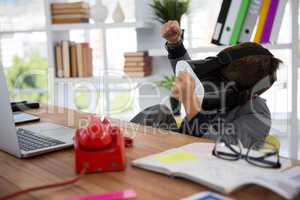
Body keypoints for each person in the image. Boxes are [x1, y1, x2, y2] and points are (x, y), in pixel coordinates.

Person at [131, 20, 282, 148]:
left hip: (204, 164)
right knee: (158, 111)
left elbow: (218, 149)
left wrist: (192, 105)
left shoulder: (257, 115)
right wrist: (175, 43)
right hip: (180, 143)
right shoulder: (220, 82)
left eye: (219, 81)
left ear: (241, 92)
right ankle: (120, 145)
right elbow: (190, 75)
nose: (211, 83)